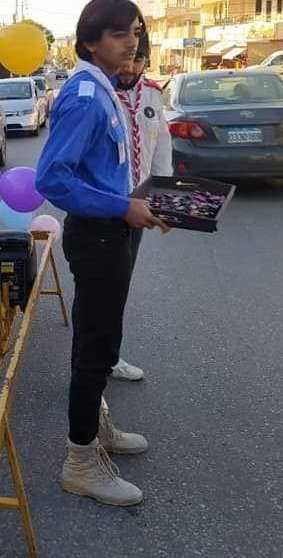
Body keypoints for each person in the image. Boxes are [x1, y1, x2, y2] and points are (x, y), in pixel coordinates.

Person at [36, 0, 170, 507]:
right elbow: (52, 179)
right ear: (90, 41)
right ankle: (80, 462)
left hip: (112, 231)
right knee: (95, 350)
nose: (132, 41)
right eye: (118, 33)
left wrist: (147, 207)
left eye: (135, 31)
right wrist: (122, 208)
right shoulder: (86, 96)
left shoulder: (105, 88)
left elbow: (111, 168)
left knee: (100, 342)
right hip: (97, 236)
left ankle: (97, 426)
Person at [110, 32, 173, 382]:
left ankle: (109, 357)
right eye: (127, 59)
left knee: (121, 286)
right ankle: (89, 364)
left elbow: (161, 146)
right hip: (107, 208)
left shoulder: (152, 93)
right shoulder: (102, 94)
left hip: (140, 207)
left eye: (138, 60)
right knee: (97, 292)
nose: (130, 68)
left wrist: (164, 199)